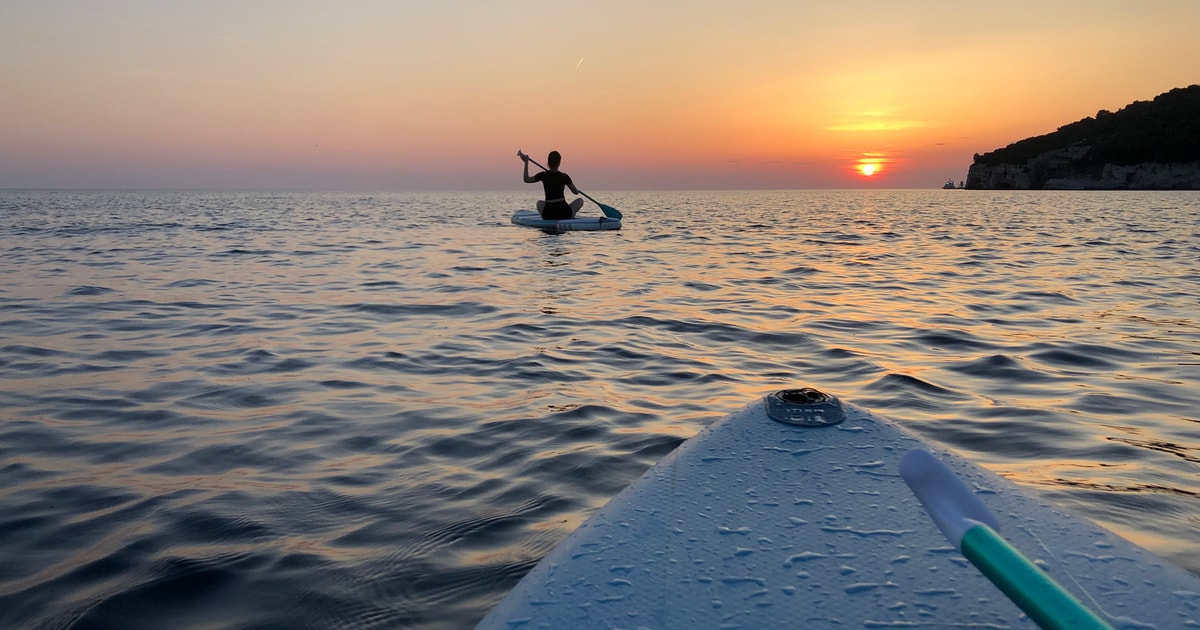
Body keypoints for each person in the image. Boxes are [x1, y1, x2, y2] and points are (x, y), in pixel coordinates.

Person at [521, 150, 583, 220]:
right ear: (559, 162)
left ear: (548, 162)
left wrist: (526, 163)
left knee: (539, 203)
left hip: (548, 214)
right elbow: (575, 192)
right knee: (580, 200)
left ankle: (564, 214)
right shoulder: (564, 176)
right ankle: (571, 215)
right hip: (564, 212)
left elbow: (526, 179)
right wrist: (577, 190)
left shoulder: (543, 175)